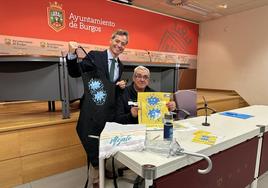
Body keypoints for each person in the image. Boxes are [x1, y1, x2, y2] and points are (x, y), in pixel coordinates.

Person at [66, 29, 129, 188]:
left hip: (109, 109)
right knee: (93, 140)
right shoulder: (95, 56)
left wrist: (118, 86)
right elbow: (75, 72)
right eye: (117, 41)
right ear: (111, 40)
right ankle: (95, 178)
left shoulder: (120, 65)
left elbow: (107, 86)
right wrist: (71, 54)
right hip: (93, 109)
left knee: (106, 140)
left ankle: (103, 168)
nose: (119, 45)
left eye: (123, 44)